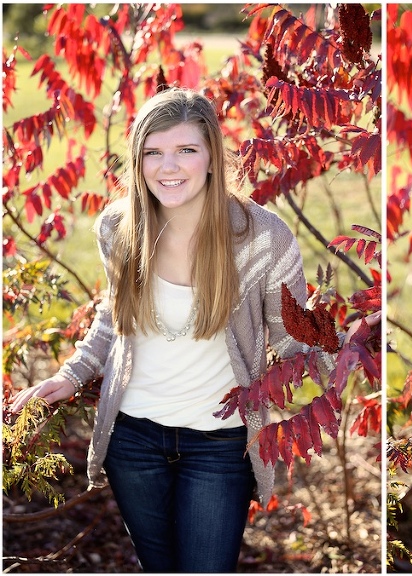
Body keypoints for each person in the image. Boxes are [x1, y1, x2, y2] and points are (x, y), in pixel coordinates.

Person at [10, 87, 371, 572]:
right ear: (138, 161)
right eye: (153, 153)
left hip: (219, 443)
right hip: (133, 439)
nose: (168, 167)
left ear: (211, 156)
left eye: (185, 150)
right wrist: (73, 375)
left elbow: (292, 342)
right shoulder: (119, 227)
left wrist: (346, 347)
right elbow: (115, 316)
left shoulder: (261, 237)